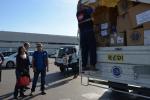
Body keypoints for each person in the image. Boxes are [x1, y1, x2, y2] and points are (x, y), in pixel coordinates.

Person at [76, 4, 97, 71]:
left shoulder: (78, 14)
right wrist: (87, 6)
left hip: (82, 35)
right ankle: (92, 65)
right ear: (82, 7)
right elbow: (93, 9)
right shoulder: (86, 11)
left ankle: (84, 66)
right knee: (92, 48)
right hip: (89, 32)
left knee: (84, 51)